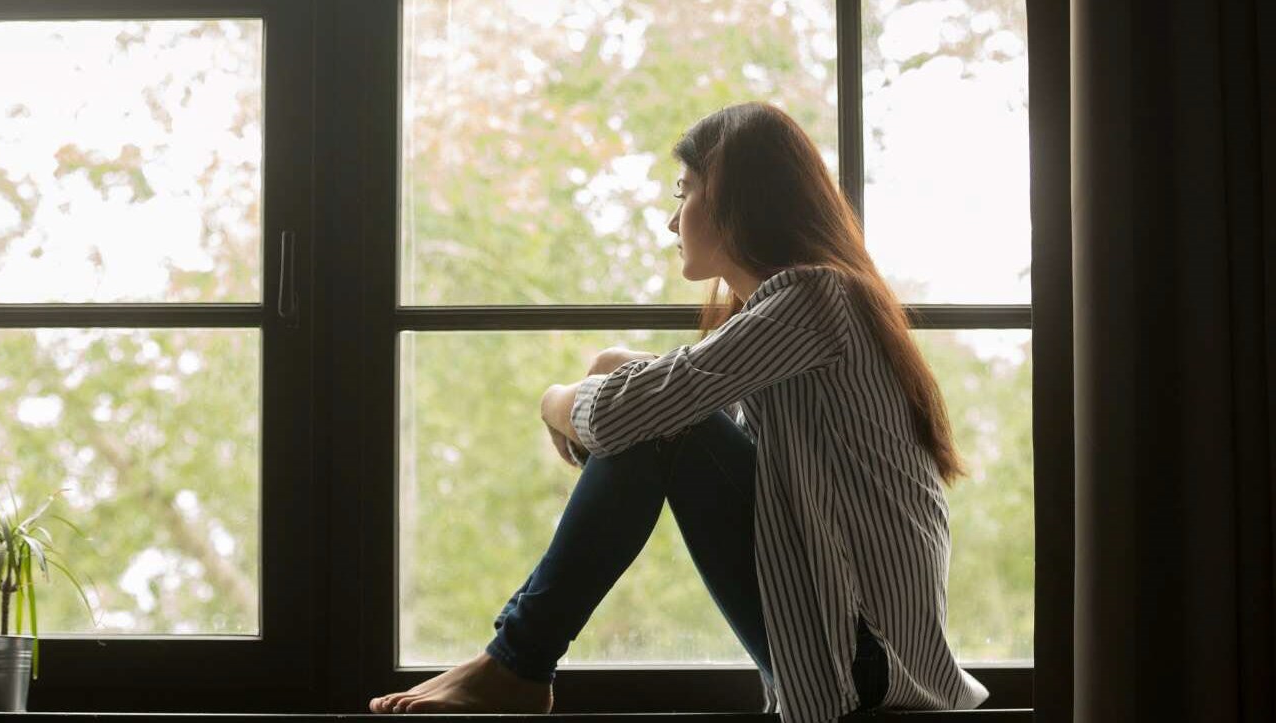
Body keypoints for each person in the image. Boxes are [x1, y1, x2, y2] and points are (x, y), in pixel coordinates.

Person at [368, 101, 990, 721]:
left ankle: (516, 663)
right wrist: (618, 361)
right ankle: (514, 664)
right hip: (855, 656)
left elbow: (631, 416)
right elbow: (681, 391)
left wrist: (552, 402)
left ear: (738, 200)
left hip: (864, 663)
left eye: (685, 191)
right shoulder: (807, 313)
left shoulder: (815, 297)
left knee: (664, 425)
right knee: (663, 414)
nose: (672, 221)